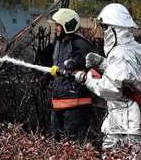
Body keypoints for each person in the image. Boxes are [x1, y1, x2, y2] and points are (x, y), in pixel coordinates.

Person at [76, 3, 141, 152]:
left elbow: (110, 88)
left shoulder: (120, 53)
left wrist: (87, 80)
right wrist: (102, 63)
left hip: (124, 124)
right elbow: (131, 77)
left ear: (111, 29)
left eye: (104, 29)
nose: (102, 34)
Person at [38, 8, 97, 141]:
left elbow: (98, 71)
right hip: (58, 106)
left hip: (77, 108)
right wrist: (48, 76)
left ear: (67, 25)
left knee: (74, 146)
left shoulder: (83, 45)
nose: (55, 28)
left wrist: (85, 81)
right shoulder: (59, 44)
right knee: (58, 146)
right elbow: (59, 67)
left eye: (57, 25)